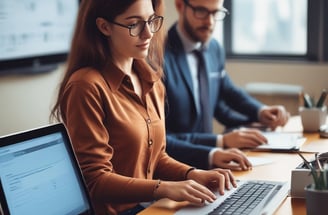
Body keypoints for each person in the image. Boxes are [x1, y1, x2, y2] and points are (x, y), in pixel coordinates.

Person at [50, 1, 237, 215]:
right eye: (134, 24)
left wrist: (192, 174)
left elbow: (156, 158)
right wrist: (164, 188)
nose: (148, 33)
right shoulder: (86, 86)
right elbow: (96, 179)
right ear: (104, 27)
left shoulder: (151, 79)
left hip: (150, 206)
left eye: (151, 21)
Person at [164, 0, 290, 170]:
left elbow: (226, 93)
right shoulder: (159, 55)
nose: (209, 21)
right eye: (201, 11)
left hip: (213, 166)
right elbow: (161, 139)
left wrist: (260, 113)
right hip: (177, 169)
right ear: (180, 6)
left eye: (215, 13)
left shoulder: (214, 48)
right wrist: (221, 141)